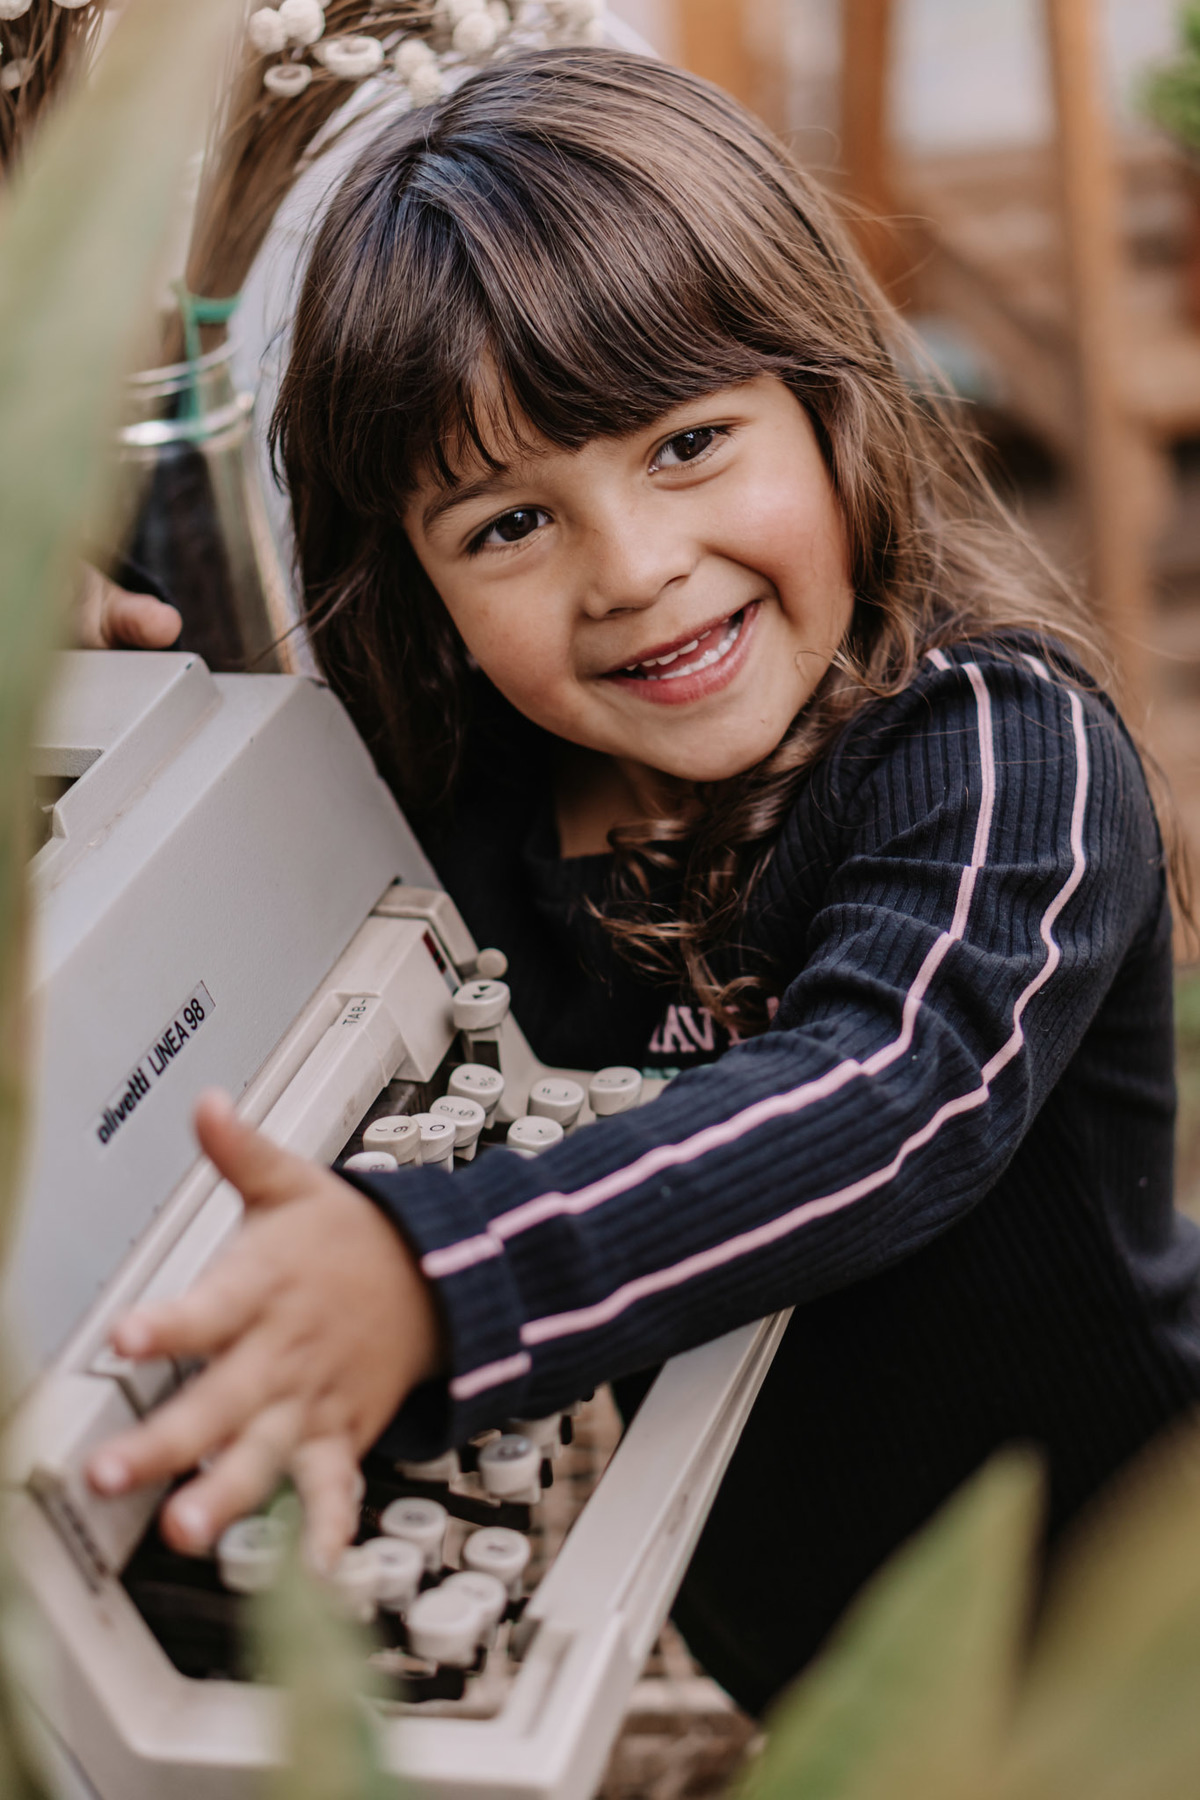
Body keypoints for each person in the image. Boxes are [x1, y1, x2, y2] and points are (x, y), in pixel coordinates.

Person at [85, 48, 1200, 1715]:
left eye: (686, 443)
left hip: (1127, 1638)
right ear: (416, 586)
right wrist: (94, 680)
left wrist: (437, 1276)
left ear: (836, 410)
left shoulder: (997, 748)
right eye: (507, 526)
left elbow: (885, 1096)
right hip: (810, 1660)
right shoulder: (472, 810)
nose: (634, 570)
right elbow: (245, 827)